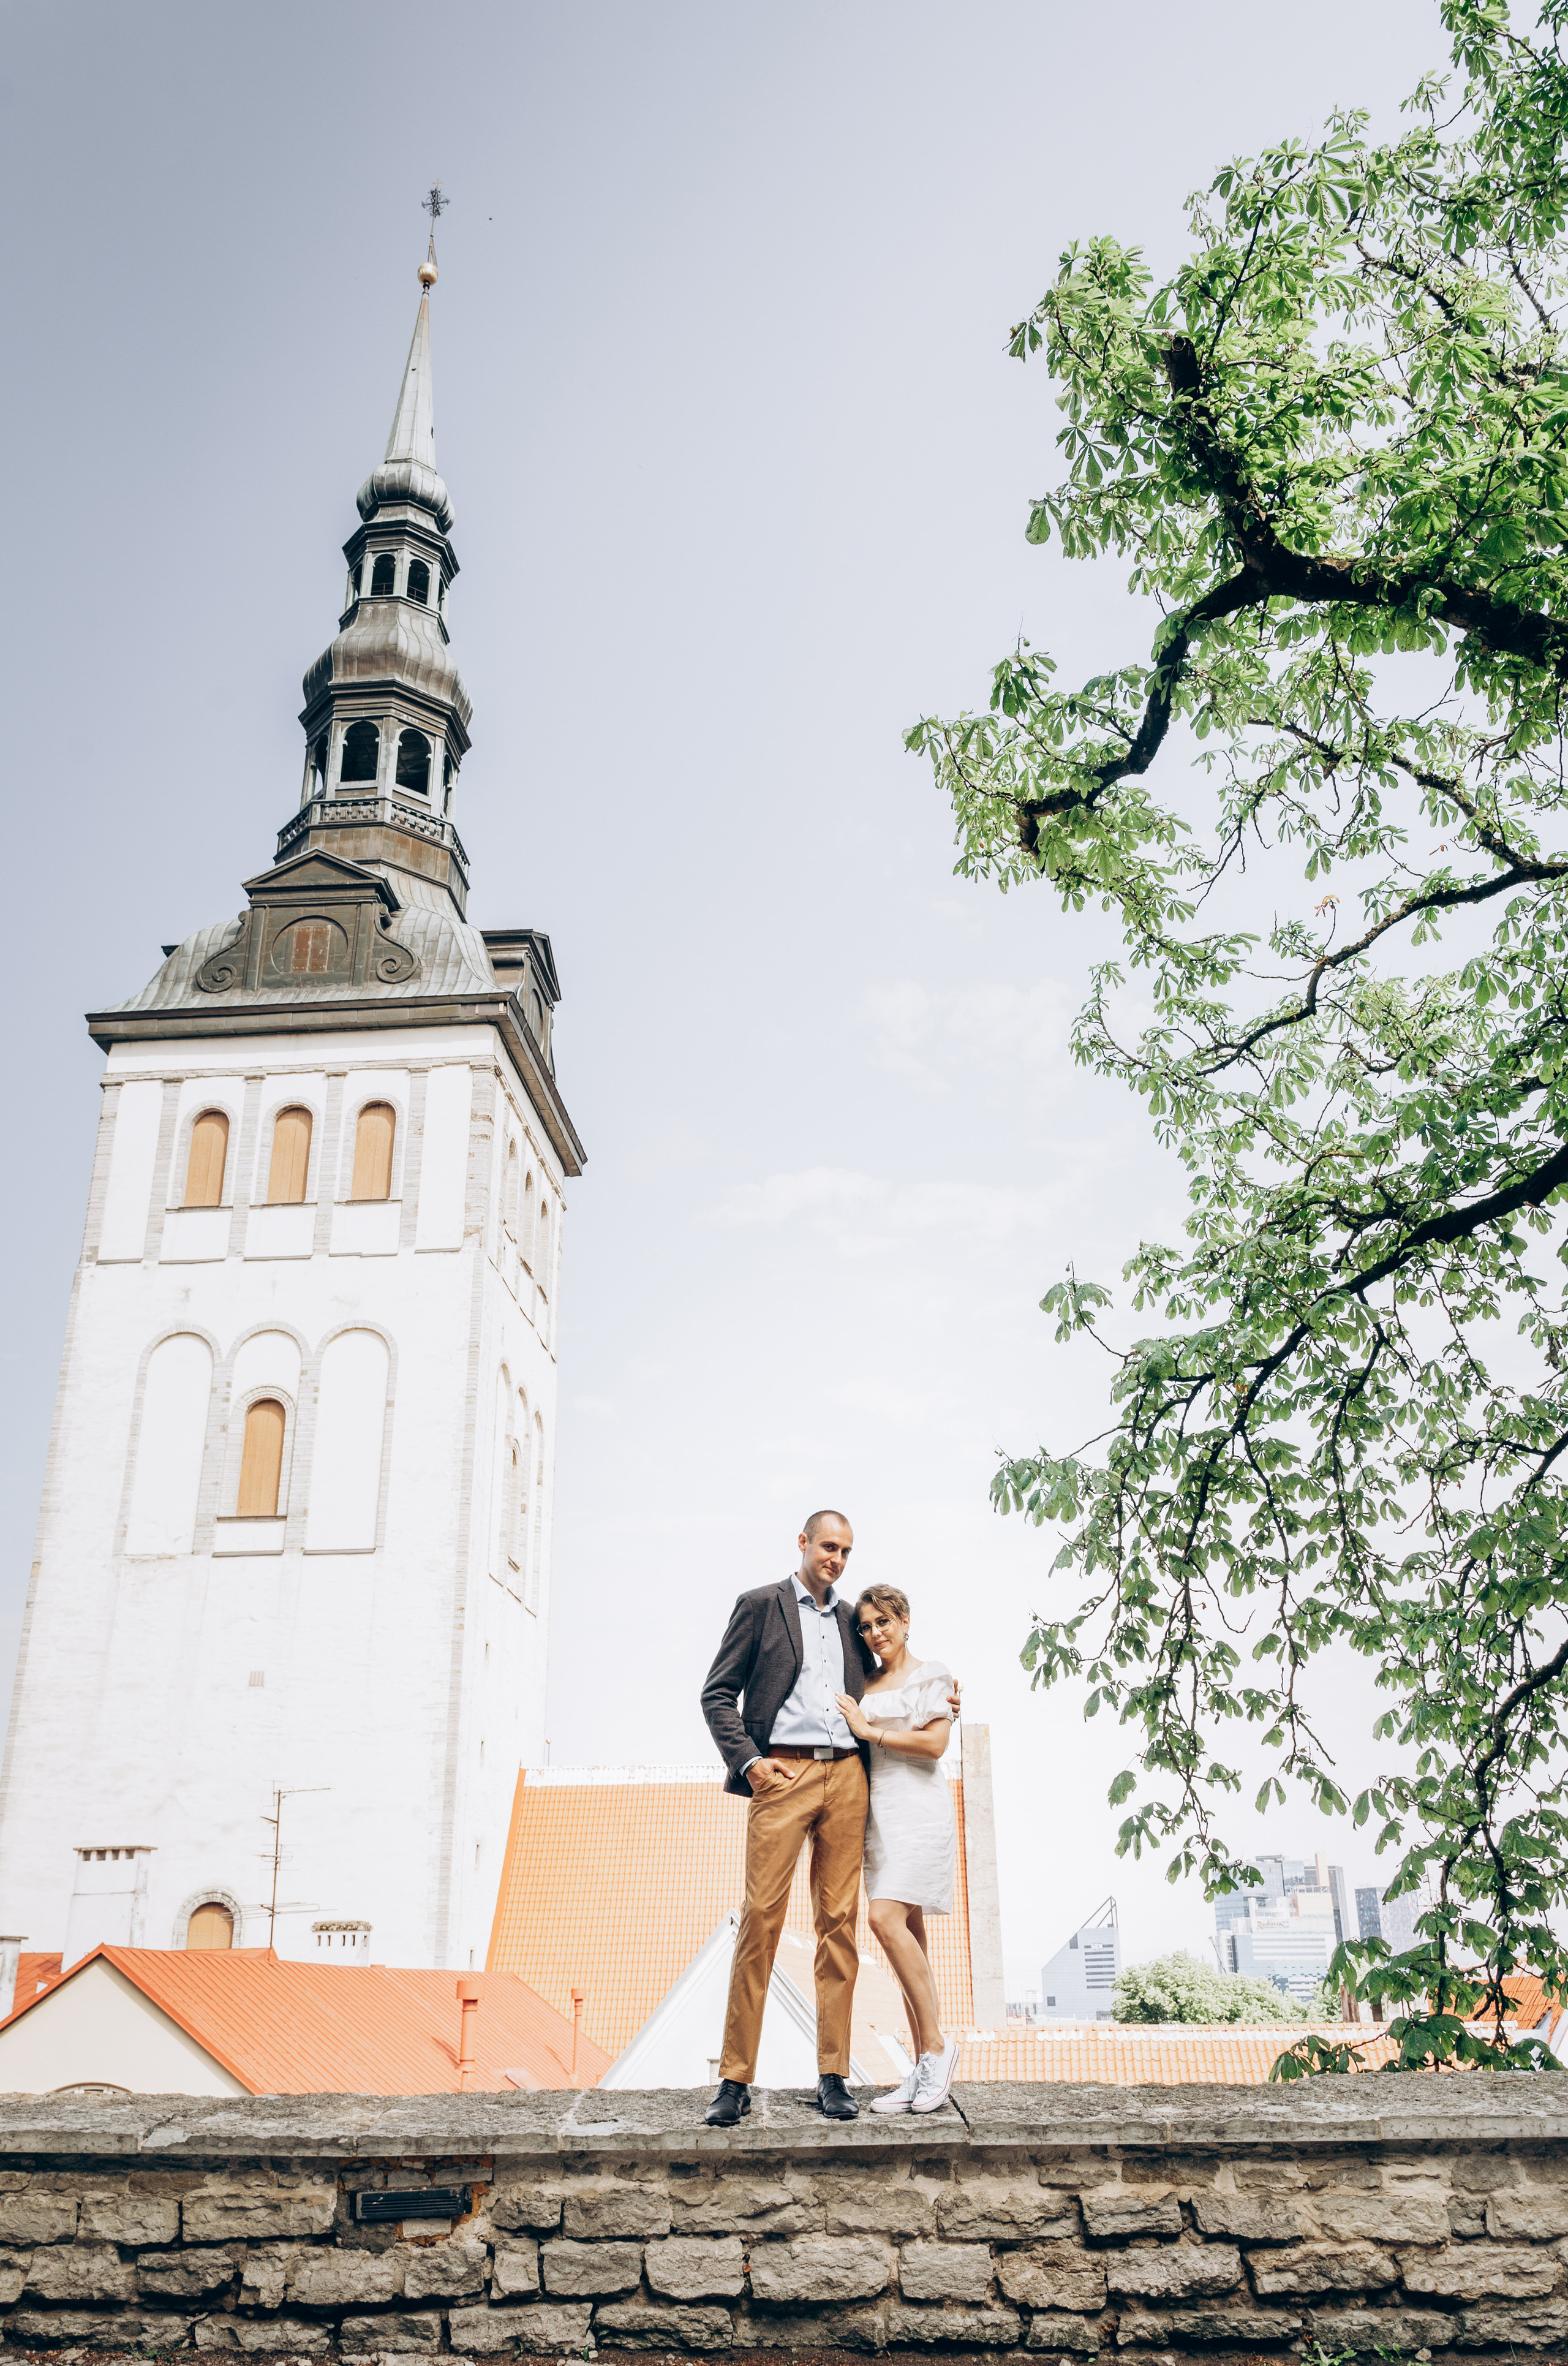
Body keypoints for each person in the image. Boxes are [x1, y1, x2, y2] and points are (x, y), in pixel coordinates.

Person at [699, 1510, 874, 2125]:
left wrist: (937, 1699)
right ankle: (733, 2078)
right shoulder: (759, 1605)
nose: (837, 1559)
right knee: (761, 1923)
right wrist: (749, 1762)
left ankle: (833, 2075)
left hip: (848, 1776)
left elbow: (886, 1685)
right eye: (829, 1546)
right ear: (802, 1543)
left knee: (840, 1926)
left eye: (847, 1551)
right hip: (784, 1775)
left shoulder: (855, 1619)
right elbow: (716, 1692)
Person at [834, 1583, 959, 2115]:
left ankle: (938, 2047)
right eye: (865, 1626)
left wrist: (869, 1729)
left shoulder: (933, 1674)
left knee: (884, 1919)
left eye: (882, 1622)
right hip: (878, 1813)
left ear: (905, 1620)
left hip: (921, 1809)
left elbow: (934, 1745)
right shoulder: (861, 1682)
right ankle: (920, 2066)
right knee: (913, 1943)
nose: (874, 1633)